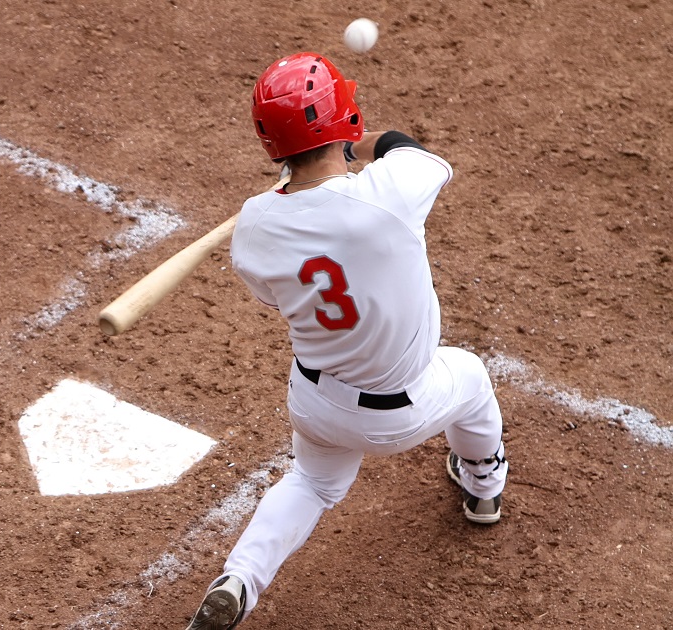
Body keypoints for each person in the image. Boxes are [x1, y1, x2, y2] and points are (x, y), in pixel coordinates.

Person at [185, 52, 509, 629]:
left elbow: (274, 295)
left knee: (311, 481)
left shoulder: (253, 226)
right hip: (400, 411)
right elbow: (406, 147)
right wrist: (356, 150)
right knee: (472, 375)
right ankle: (484, 487)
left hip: (315, 402)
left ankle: (238, 580)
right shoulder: (390, 193)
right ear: (343, 120)